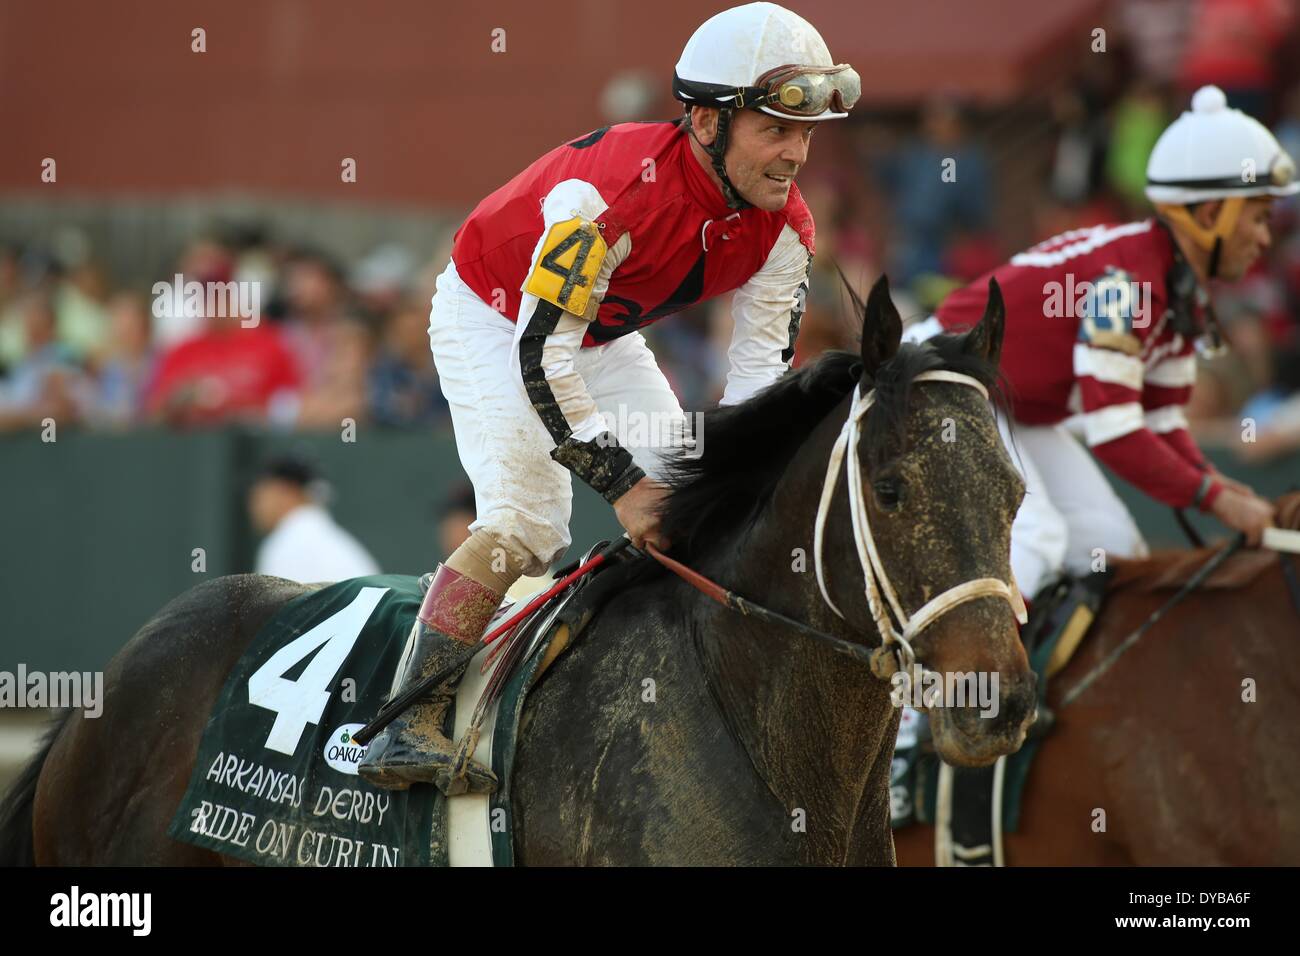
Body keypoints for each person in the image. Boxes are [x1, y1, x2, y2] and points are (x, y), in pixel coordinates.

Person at [358, 1, 859, 794]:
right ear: (704, 122)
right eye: (775, 130)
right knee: (530, 522)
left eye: (804, 134)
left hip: (594, 330)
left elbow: (761, 380)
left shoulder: (787, 228)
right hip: (494, 314)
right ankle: (400, 722)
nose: (796, 153)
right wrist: (623, 488)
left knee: (701, 499)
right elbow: (537, 352)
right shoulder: (604, 203)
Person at [904, 85, 1295, 616]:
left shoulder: (1179, 289)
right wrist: (1216, 499)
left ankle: (1050, 696)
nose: (1264, 238)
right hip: (943, 377)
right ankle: (926, 700)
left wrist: (1220, 485)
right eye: (1257, 217)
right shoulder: (1127, 284)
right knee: (1035, 541)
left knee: (1109, 548)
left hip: (1004, 400)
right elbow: (1115, 433)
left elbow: (1159, 420)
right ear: (1208, 216)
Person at [249, 455, 381, 583]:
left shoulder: (287, 543)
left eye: (260, 493)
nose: (254, 504)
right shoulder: (333, 540)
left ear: (284, 491)